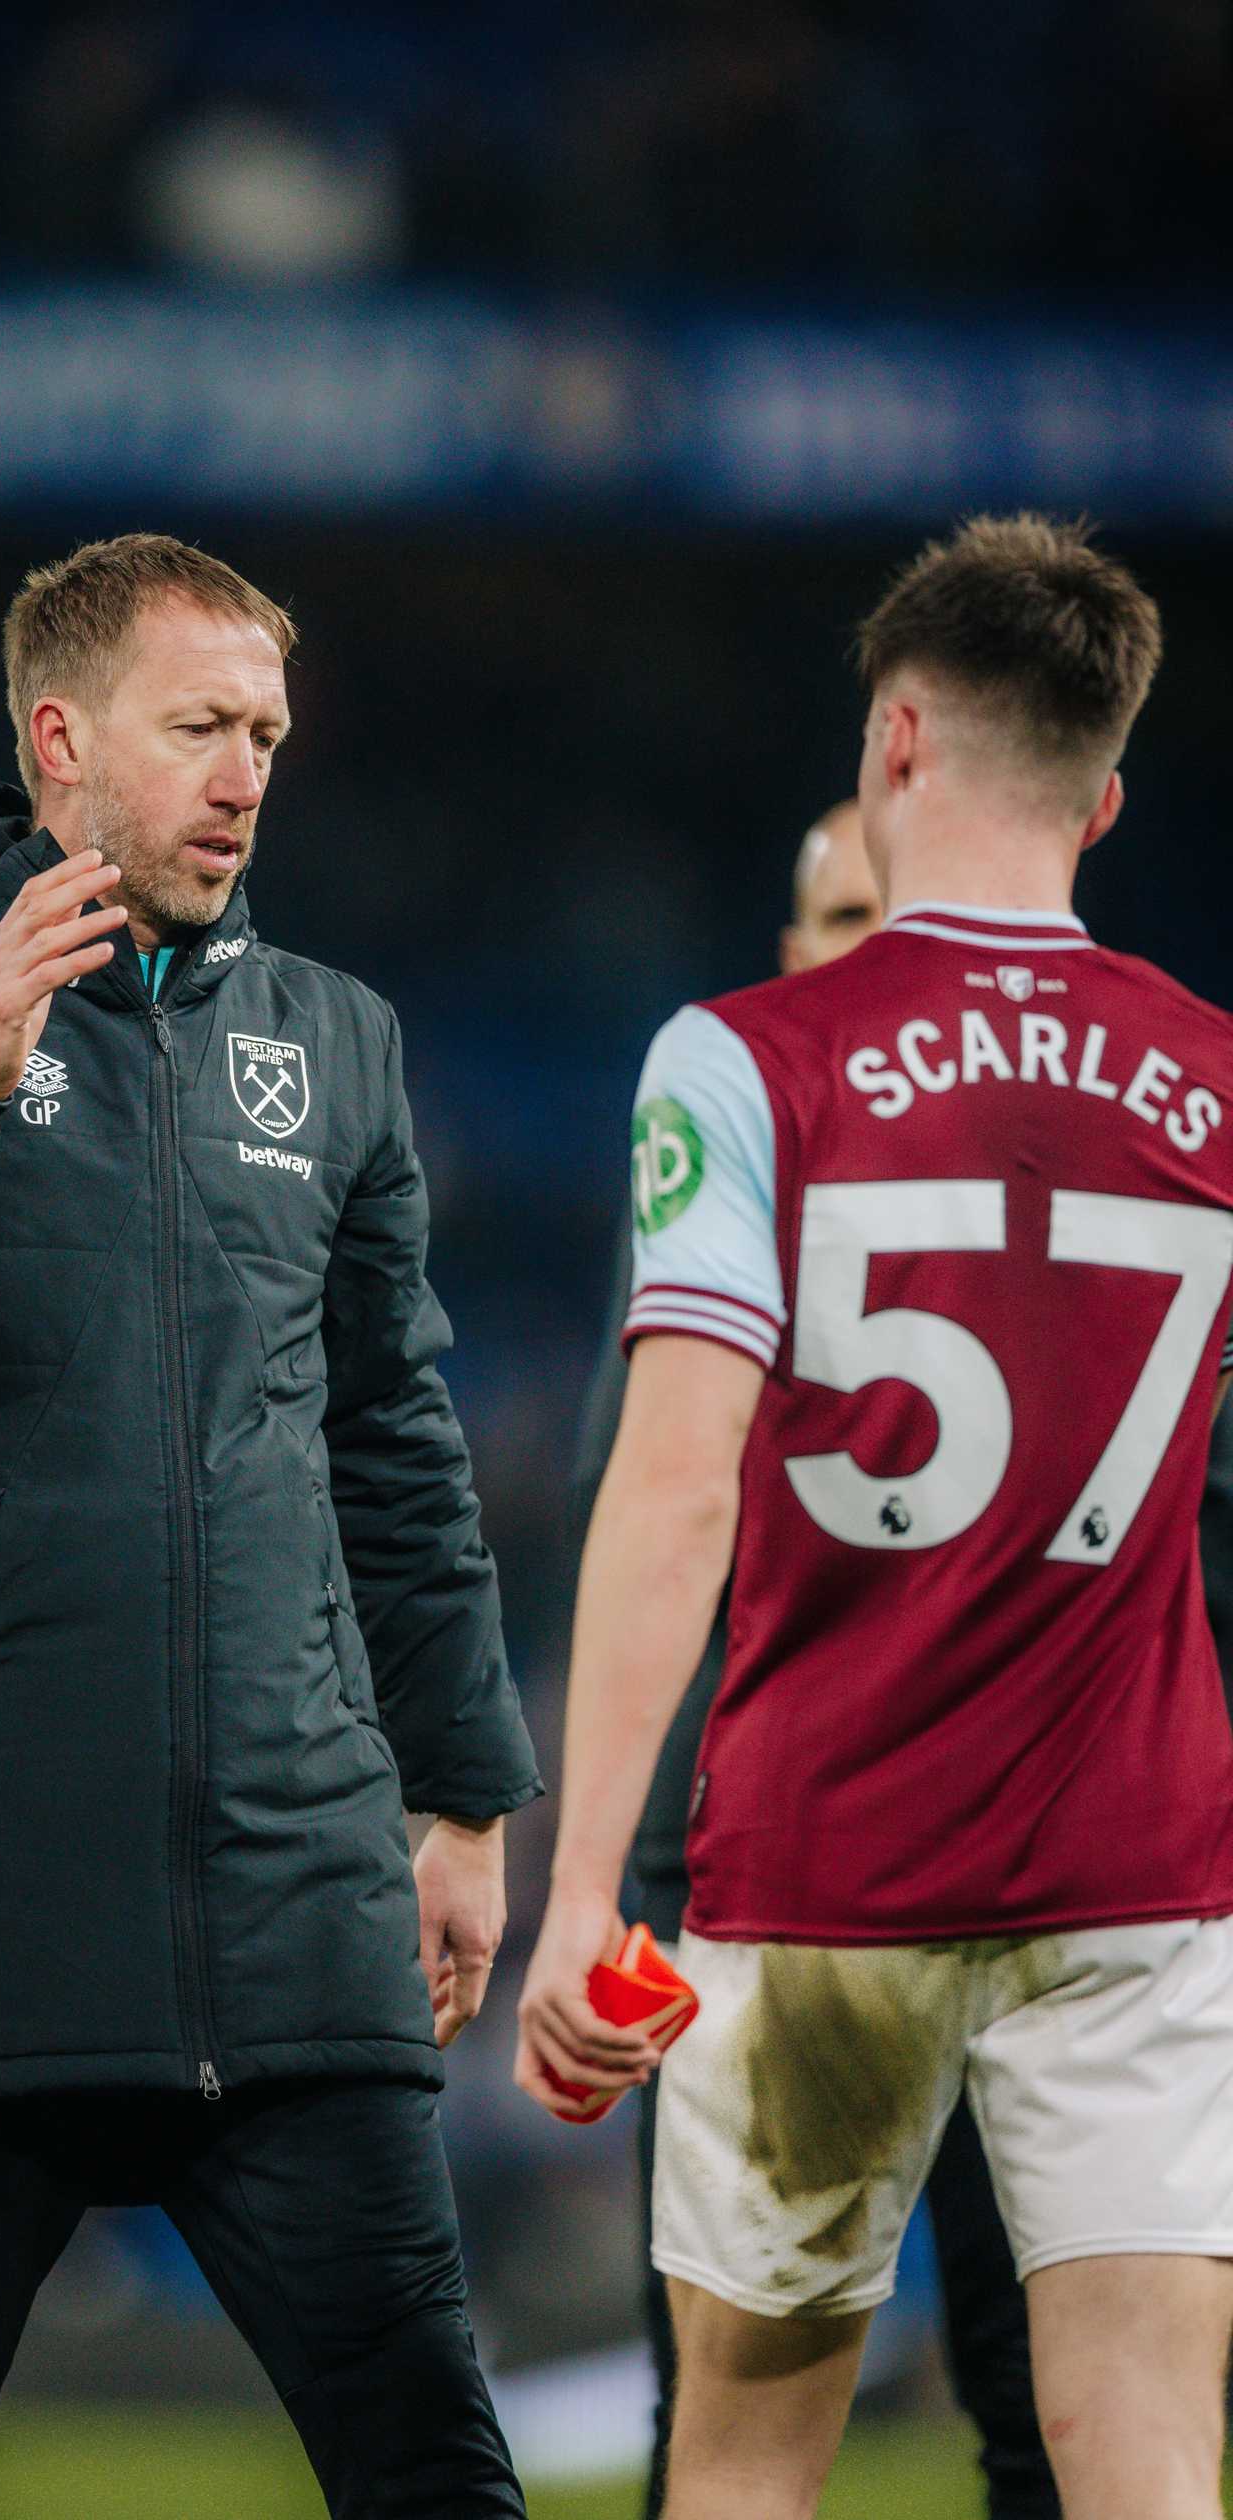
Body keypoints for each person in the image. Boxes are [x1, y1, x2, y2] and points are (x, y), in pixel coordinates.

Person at [0, 532, 540, 2519]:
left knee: (432, 2458)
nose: (248, 773)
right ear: (62, 740)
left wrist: (466, 1800)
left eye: (268, 732)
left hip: (292, 1907)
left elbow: (396, 1444)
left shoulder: (333, 1044)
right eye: (201, 728)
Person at [518, 513, 1233, 2520]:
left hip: (827, 1869)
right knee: (1152, 2469)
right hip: (1139, 1884)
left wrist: (585, 1899)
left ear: (895, 745)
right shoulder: (1215, 1078)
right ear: (1104, 791)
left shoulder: (744, 1063)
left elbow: (669, 1486)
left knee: (742, 2474)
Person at [574, 799, 1060, 2520]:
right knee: (707, 2412)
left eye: (909, 916)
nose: (882, 957)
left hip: (1035, 1885)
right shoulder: (713, 1198)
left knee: (1039, 2412)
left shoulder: (1070, 1210)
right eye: (848, 920)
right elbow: (642, 1539)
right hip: (734, 1897)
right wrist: (622, 1894)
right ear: (792, 960)